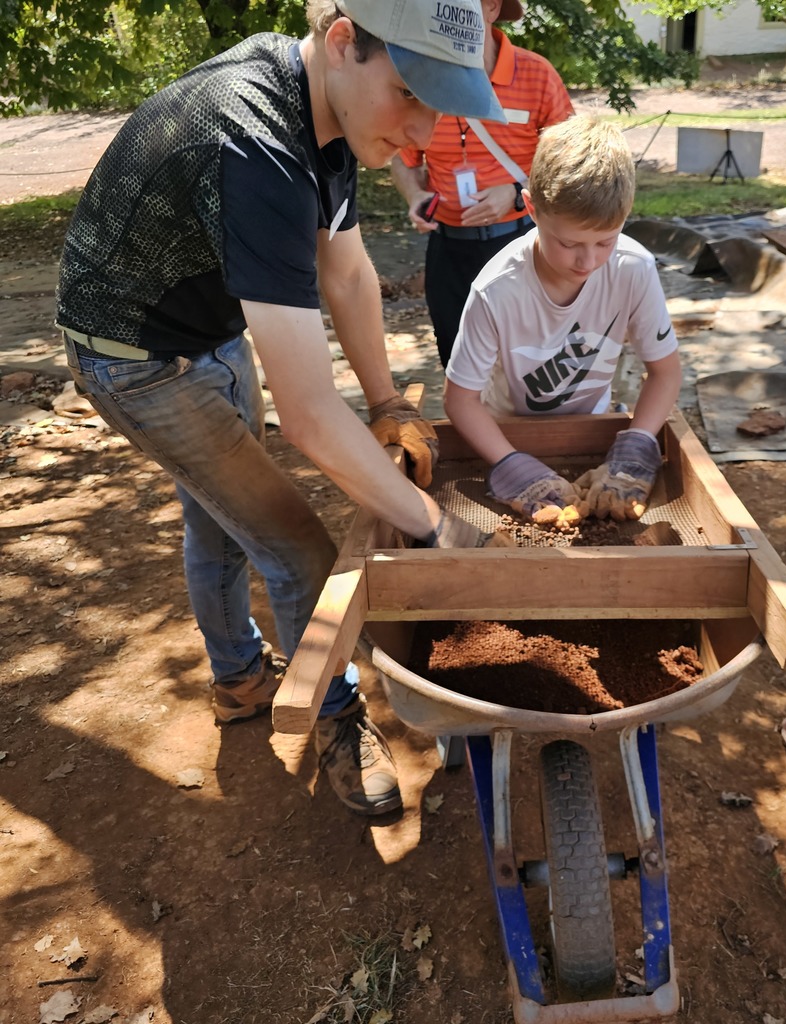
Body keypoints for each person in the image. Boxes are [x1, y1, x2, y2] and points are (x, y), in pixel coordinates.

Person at [55, 0, 510, 818]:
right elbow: (305, 415)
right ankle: (332, 722)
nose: (422, 134)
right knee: (298, 549)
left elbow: (348, 274)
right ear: (344, 42)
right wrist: (434, 524)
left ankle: (236, 677)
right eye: (411, 94)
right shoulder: (254, 144)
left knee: (220, 519)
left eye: (439, 107)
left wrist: (384, 404)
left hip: (211, 325)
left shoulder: (324, 110)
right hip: (136, 357)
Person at [443, 116, 683, 524]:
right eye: (569, 243)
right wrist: (511, 464)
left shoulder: (634, 268)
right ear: (532, 208)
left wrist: (638, 443)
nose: (587, 261)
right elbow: (460, 400)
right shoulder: (496, 290)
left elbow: (665, 372)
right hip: (505, 433)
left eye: (605, 241)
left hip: (596, 428)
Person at [390, 0, 573, 369]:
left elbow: (570, 160)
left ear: (490, 8)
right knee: (458, 363)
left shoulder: (536, 75)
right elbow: (402, 155)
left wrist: (516, 193)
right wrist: (415, 195)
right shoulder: (424, 79)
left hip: (521, 243)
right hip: (448, 251)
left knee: (527, 366)